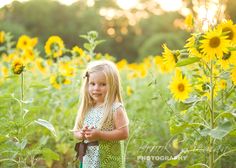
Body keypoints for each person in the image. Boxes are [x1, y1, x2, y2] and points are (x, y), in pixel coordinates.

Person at [72, 60, 129, 168]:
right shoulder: (87, 108)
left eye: (103, 84)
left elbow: (124, 133)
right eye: (92, 84)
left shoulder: (115, 108)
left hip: (107, 160)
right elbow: (76, 130)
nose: (96, 88)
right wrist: (81, 134)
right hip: (89, 160)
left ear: (113, 85)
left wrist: (100, 135)